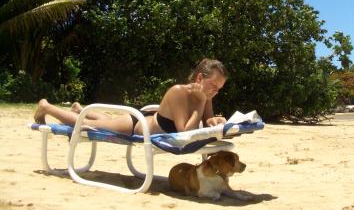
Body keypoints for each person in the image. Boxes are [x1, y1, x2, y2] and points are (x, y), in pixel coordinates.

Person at [34, 58, 228, 135]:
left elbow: (207, 119)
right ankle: (46, 106)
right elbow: (185, 133)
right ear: (200, 77)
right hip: (137, 125)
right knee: (96, 126)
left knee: (110, 121)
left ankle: (79, 108)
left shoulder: (206, 96)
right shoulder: (179, 92)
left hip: (145, 120)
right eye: (213, 85)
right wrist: (202, 102)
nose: (215, 91)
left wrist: (215, 119)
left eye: (219, 88)